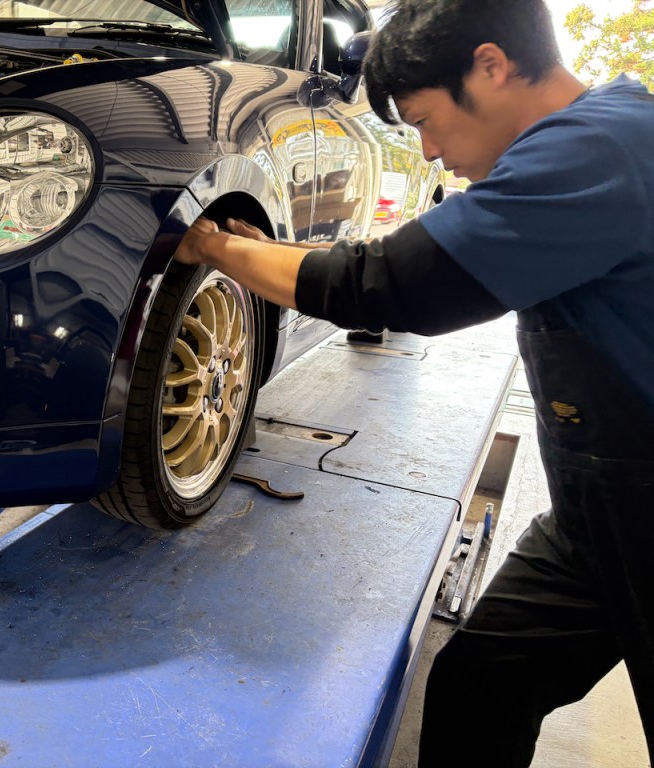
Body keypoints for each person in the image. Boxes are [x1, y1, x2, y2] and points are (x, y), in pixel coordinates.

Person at [173, 1, 654, 765]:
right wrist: (270, 253)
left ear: (491, 67)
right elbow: (392, 264)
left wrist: (213, 247)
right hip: (597, 513)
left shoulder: (598, 150)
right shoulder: (597, 137)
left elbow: (398, 285)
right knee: (483, 682)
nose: (428, 151)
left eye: (427, 120)